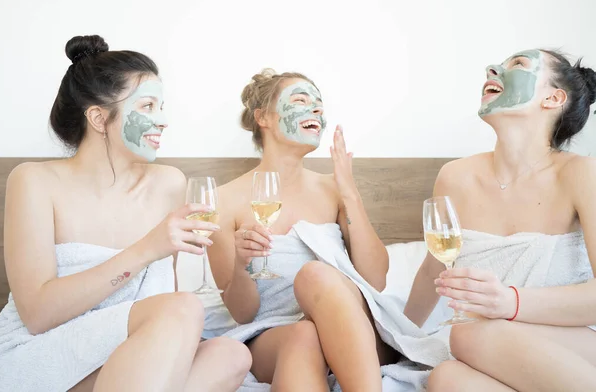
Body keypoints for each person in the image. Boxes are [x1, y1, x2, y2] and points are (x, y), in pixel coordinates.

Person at [0, 35, 251, 392]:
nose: (162, 121)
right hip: (45, 354)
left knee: (231, 354)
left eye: (161, 107)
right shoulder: (34, 181)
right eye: (147, 106)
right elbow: (37, 315)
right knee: (184, 308)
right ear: (99, 118)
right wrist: (149, 247)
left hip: (128, 358)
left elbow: (163, 315)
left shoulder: (170, 183)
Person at [402, 49, 596, 391]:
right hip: (484, 348)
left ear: (553, 98)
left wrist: (510, 302)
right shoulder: (454, 177)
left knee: (470, 334)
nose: (492, 69)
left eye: (517, 64)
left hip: (570, 343)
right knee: (445, 379)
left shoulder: (581, 173)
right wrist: (400, 339)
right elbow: (435, 268)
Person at [205, 69, 399, 391]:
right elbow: (242, 312)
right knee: (304, 334)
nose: (317, 110)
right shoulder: (223, 201)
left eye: (320, 105)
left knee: (315, 275)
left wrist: (349, 193)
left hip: (352, 324)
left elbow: (376, 279)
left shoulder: (334, 190)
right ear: (263, 117)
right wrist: (240, 264)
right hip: (276, 332)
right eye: (301, 100)